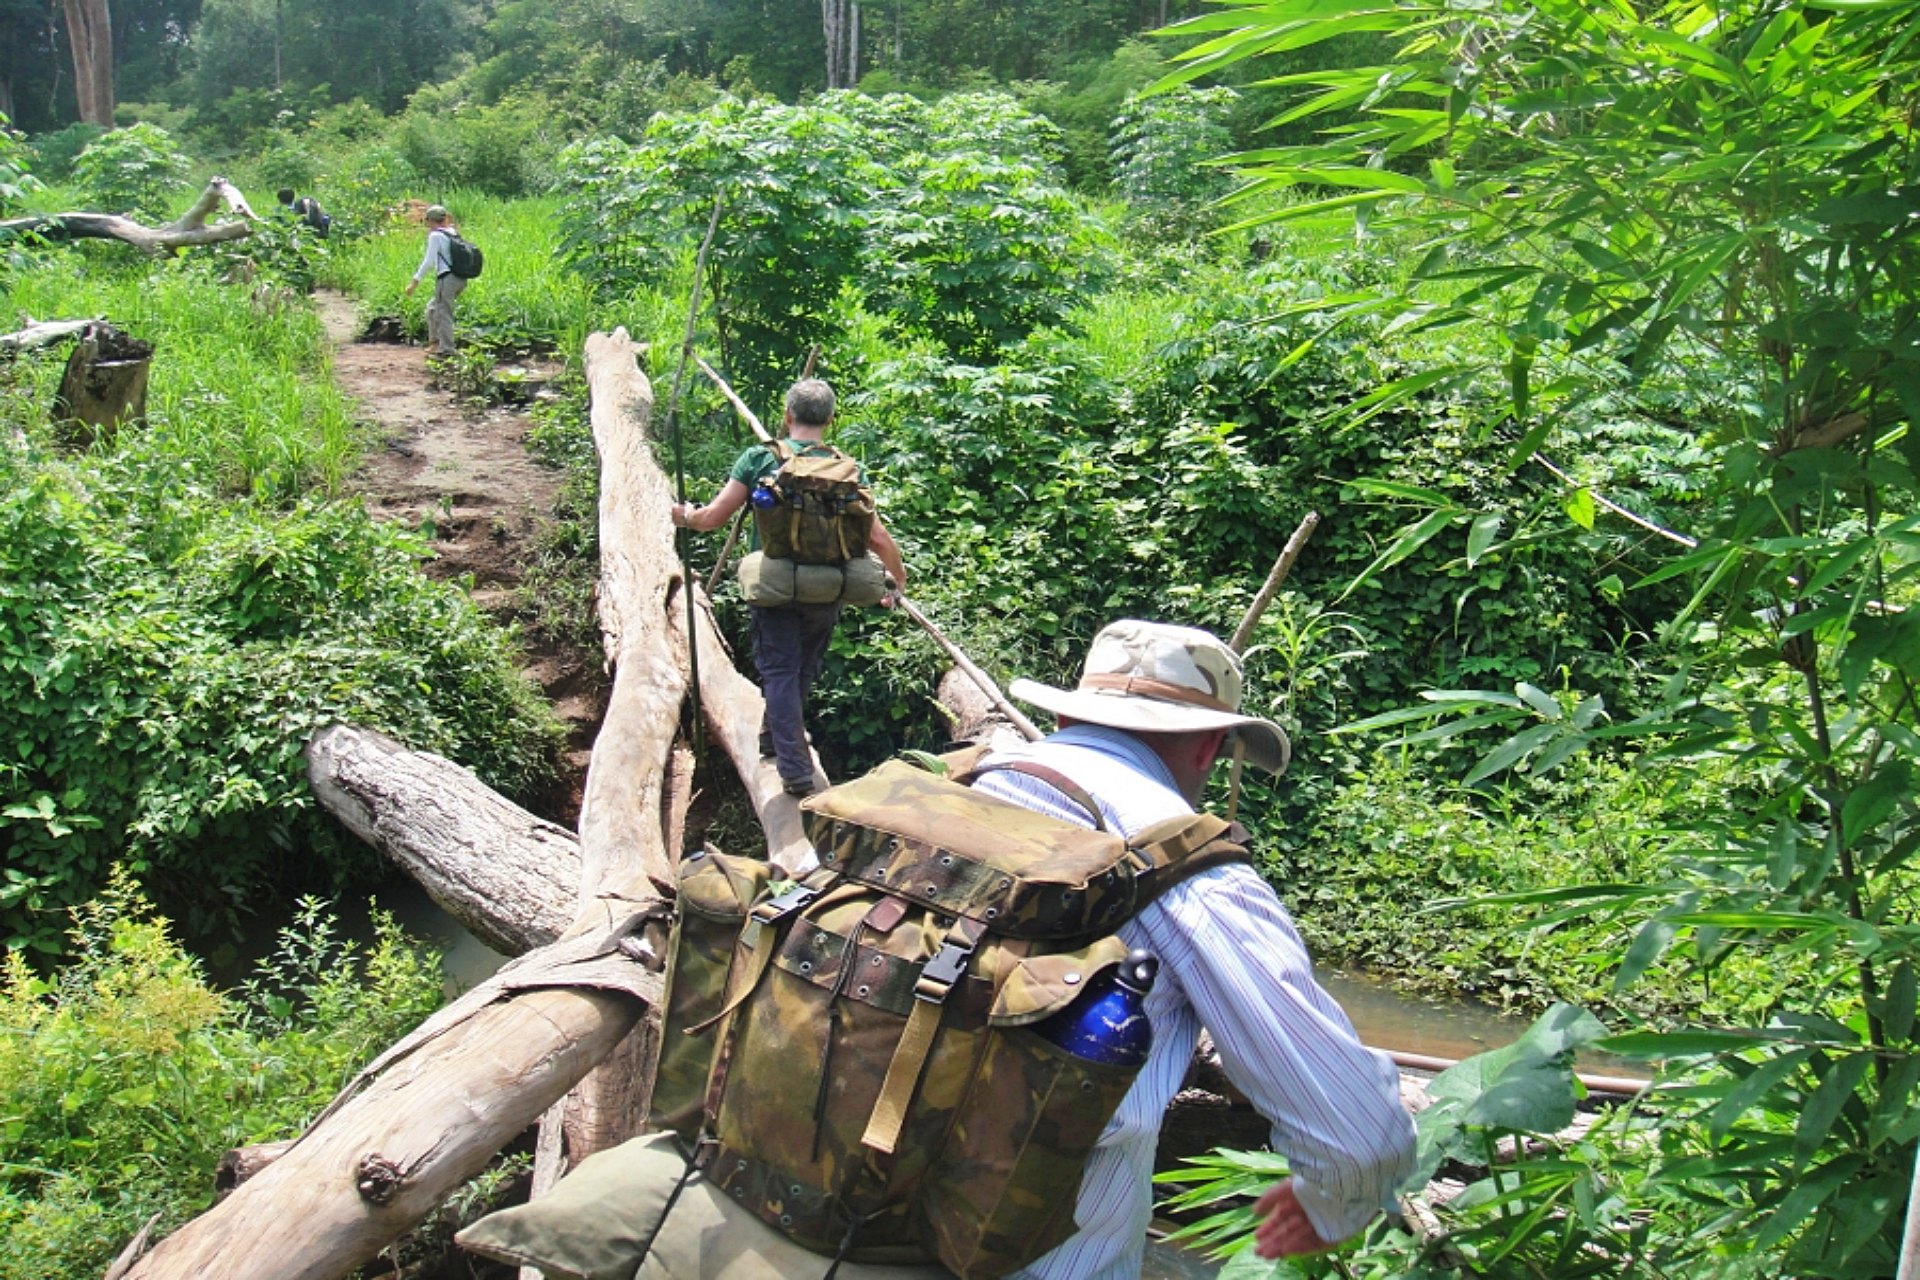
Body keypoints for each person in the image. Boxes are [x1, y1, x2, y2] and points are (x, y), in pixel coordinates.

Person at [969, 619, 1417, 1278]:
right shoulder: (1193, 876)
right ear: (1211, 747)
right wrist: (1330, 1206)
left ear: (1066, 713)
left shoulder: (960, 788)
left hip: (827, 1225)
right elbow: (1357, 1134)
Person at [670, 378, 907, 797]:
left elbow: (712, 518)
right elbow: (877, 540)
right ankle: (773, 739)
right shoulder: (847, 469)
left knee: (779, 673)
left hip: (776, 587)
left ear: (787, 415)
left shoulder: (760, 459)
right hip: (828, 588)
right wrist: (898, 581)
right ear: (831, 420)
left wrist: (683, 516)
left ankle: (795, 770)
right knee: (801, 672)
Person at [404, 204, 463, 358]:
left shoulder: (435, 236)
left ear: (430, 221)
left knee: (443, 313)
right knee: (432, 309)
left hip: (447, 278)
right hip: (460, 279)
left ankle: (447, 349)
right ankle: (435, 342)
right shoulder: (453, 233)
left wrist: (414, 281)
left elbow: (429, 261)